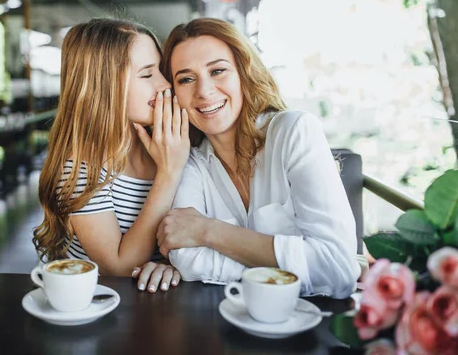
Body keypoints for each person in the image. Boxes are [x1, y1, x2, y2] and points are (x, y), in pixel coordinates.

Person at [156, 18, 360, 299]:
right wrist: (295, 264)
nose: (203, 91)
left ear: (244, 72)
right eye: (186, 78)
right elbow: (187, 260)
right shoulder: (191, 162)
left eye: (217, 71)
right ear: (174, 94)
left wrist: (207, 231)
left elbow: (336, 269)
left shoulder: (294, 131)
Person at [34, 19, 190, 293]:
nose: (166, 84)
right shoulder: (81, 169)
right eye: (146, 74)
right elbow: (118, 268)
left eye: (161, 70)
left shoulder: (170, 144)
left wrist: (174, 265)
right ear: (105, 88)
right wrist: (169, 174)